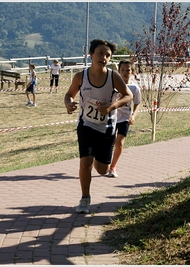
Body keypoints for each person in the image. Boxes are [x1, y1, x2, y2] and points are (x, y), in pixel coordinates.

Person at [64, 39, 133, 214]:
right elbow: (69, 94)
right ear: (91, 55)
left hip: (107, 128)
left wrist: (111, 107)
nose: (103, 57)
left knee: (102, 170)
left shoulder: (113, 76)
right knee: (85, 163)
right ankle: (85, 199)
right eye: (100, 53)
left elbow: (128, 95)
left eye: (107, 55)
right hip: (86, 125)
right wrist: (68, 104)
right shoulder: (81, 76)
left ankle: (97, 159)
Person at [108, 60, 141, 178]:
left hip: (125, 118)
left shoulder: (134, 88)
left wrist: (133, 116)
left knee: (120, 143)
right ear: (119, 72)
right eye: (123, 70)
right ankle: (105, 162)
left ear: (132, 72)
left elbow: (137, 103)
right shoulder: (113, 86)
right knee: (109, 143)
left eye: (128, 70)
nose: (125, 73)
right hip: (112, 117)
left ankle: (113, 167)